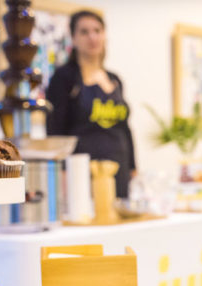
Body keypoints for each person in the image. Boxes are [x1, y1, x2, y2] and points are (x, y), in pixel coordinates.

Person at [46, 10, 136, 198]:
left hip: (118, 168)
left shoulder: (115, 79)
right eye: (84, 32)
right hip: (81, 171)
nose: (92, 37)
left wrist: (133, 168)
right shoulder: (63, 78)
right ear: (74, 38)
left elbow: (125, 129)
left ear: (104, 35)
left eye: (97, 30)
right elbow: (55, 128)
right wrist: (61, 170)